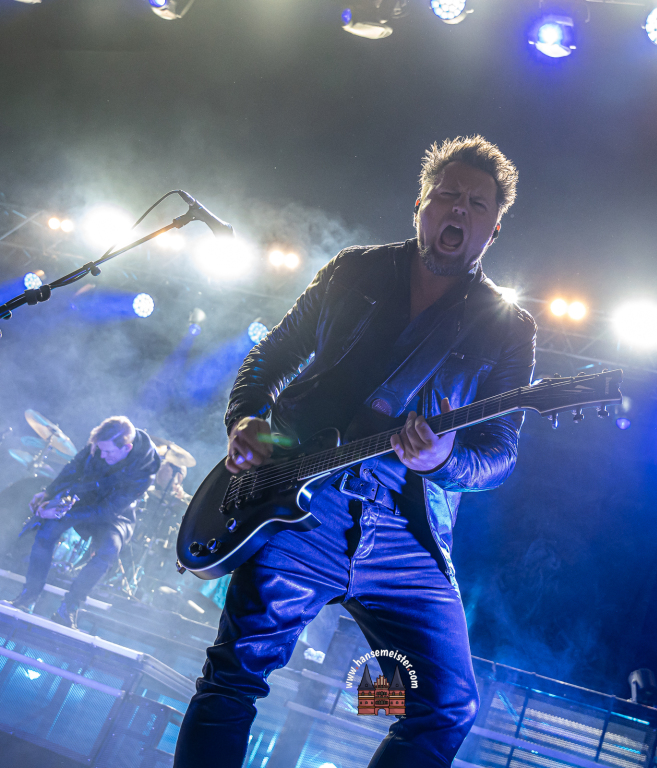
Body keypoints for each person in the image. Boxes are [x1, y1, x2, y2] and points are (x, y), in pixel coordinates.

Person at [174, 136, 537, 768]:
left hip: (405, 530)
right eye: (447, 195)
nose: (459, 209)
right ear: (420, 205)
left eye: (477, 204)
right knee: (235, 673)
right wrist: (247, 417)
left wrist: (443, 461)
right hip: (301, 504)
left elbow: (499, 454)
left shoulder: (508, 326)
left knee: (447, 706)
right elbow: (273, 353)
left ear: (494, 228)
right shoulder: (354, 270)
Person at [10, 416, 161, 628]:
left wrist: (62, 514)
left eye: (108, 452)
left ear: (127, 448)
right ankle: (28, 596)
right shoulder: (100, 445)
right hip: (85, 498)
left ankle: (69, 608)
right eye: (100, 450)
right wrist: (49, 492)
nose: (103, 455)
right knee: (47, 531)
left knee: (109, 550)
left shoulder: (147, 468)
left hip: (116, 513)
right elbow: (74, 467)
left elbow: (107, 510)